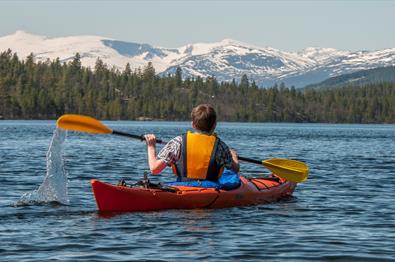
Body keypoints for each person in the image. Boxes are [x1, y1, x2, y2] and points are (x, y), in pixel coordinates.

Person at [144, 104, 239, 182]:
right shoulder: (221, 147)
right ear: (214, 125)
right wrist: (233, 156)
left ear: (193, 124)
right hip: (210, 190)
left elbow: (154, 169)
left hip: (183, 187)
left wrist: (151, 146)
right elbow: (235, 169)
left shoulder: (178, 142)